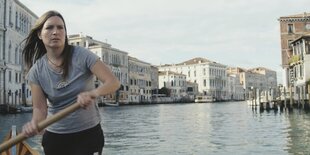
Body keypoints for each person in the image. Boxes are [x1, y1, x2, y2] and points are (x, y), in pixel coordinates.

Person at [22, 10, 120, 155]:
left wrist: (93, 93)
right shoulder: (36, 72)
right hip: (55, 139)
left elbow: (113, 82)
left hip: (88, 134)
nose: (55, 32)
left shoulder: (82, 55)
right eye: (49, 27)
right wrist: (35, 124)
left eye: (60, 27)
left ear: (65, 33)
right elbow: (40, 109)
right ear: (39, 34)